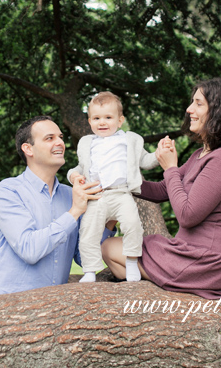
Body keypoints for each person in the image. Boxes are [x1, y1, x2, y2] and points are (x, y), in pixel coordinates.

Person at [101, 78, 221, 299]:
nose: (189, 109)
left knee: (110, 248)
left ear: (219, 111)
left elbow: (187, 215)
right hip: (191, 251)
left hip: (210, 261)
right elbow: (163, 191)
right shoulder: (201, 154)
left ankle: (174, 281)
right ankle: (166, 281)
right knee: (111, 250)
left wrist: (170, 167)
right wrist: (119, 182)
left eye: (198, 103)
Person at [0, 116, 113, 297]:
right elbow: (29, 250)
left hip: (50, 309)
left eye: (60, 137)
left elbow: (83, 257)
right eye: (49, 138)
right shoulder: (8, 191)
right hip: (5, 304)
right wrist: (75, 211)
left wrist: (110, 220)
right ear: (28, 149)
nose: (60, 143)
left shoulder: (71, 194)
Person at [67, 92, 159, 283]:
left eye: (108, 117)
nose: (102, 122)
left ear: (120, 120)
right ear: (90, 121)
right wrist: (73, 175)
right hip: (97, 196)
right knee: (88, 231)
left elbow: (145, 160)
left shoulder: (129, 140)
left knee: (133, 225)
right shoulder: (87, 143)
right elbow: (80, 168)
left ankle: (132, 260)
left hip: (121, 193)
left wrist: (159, 154)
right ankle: (90, 271)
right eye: (97, 118)